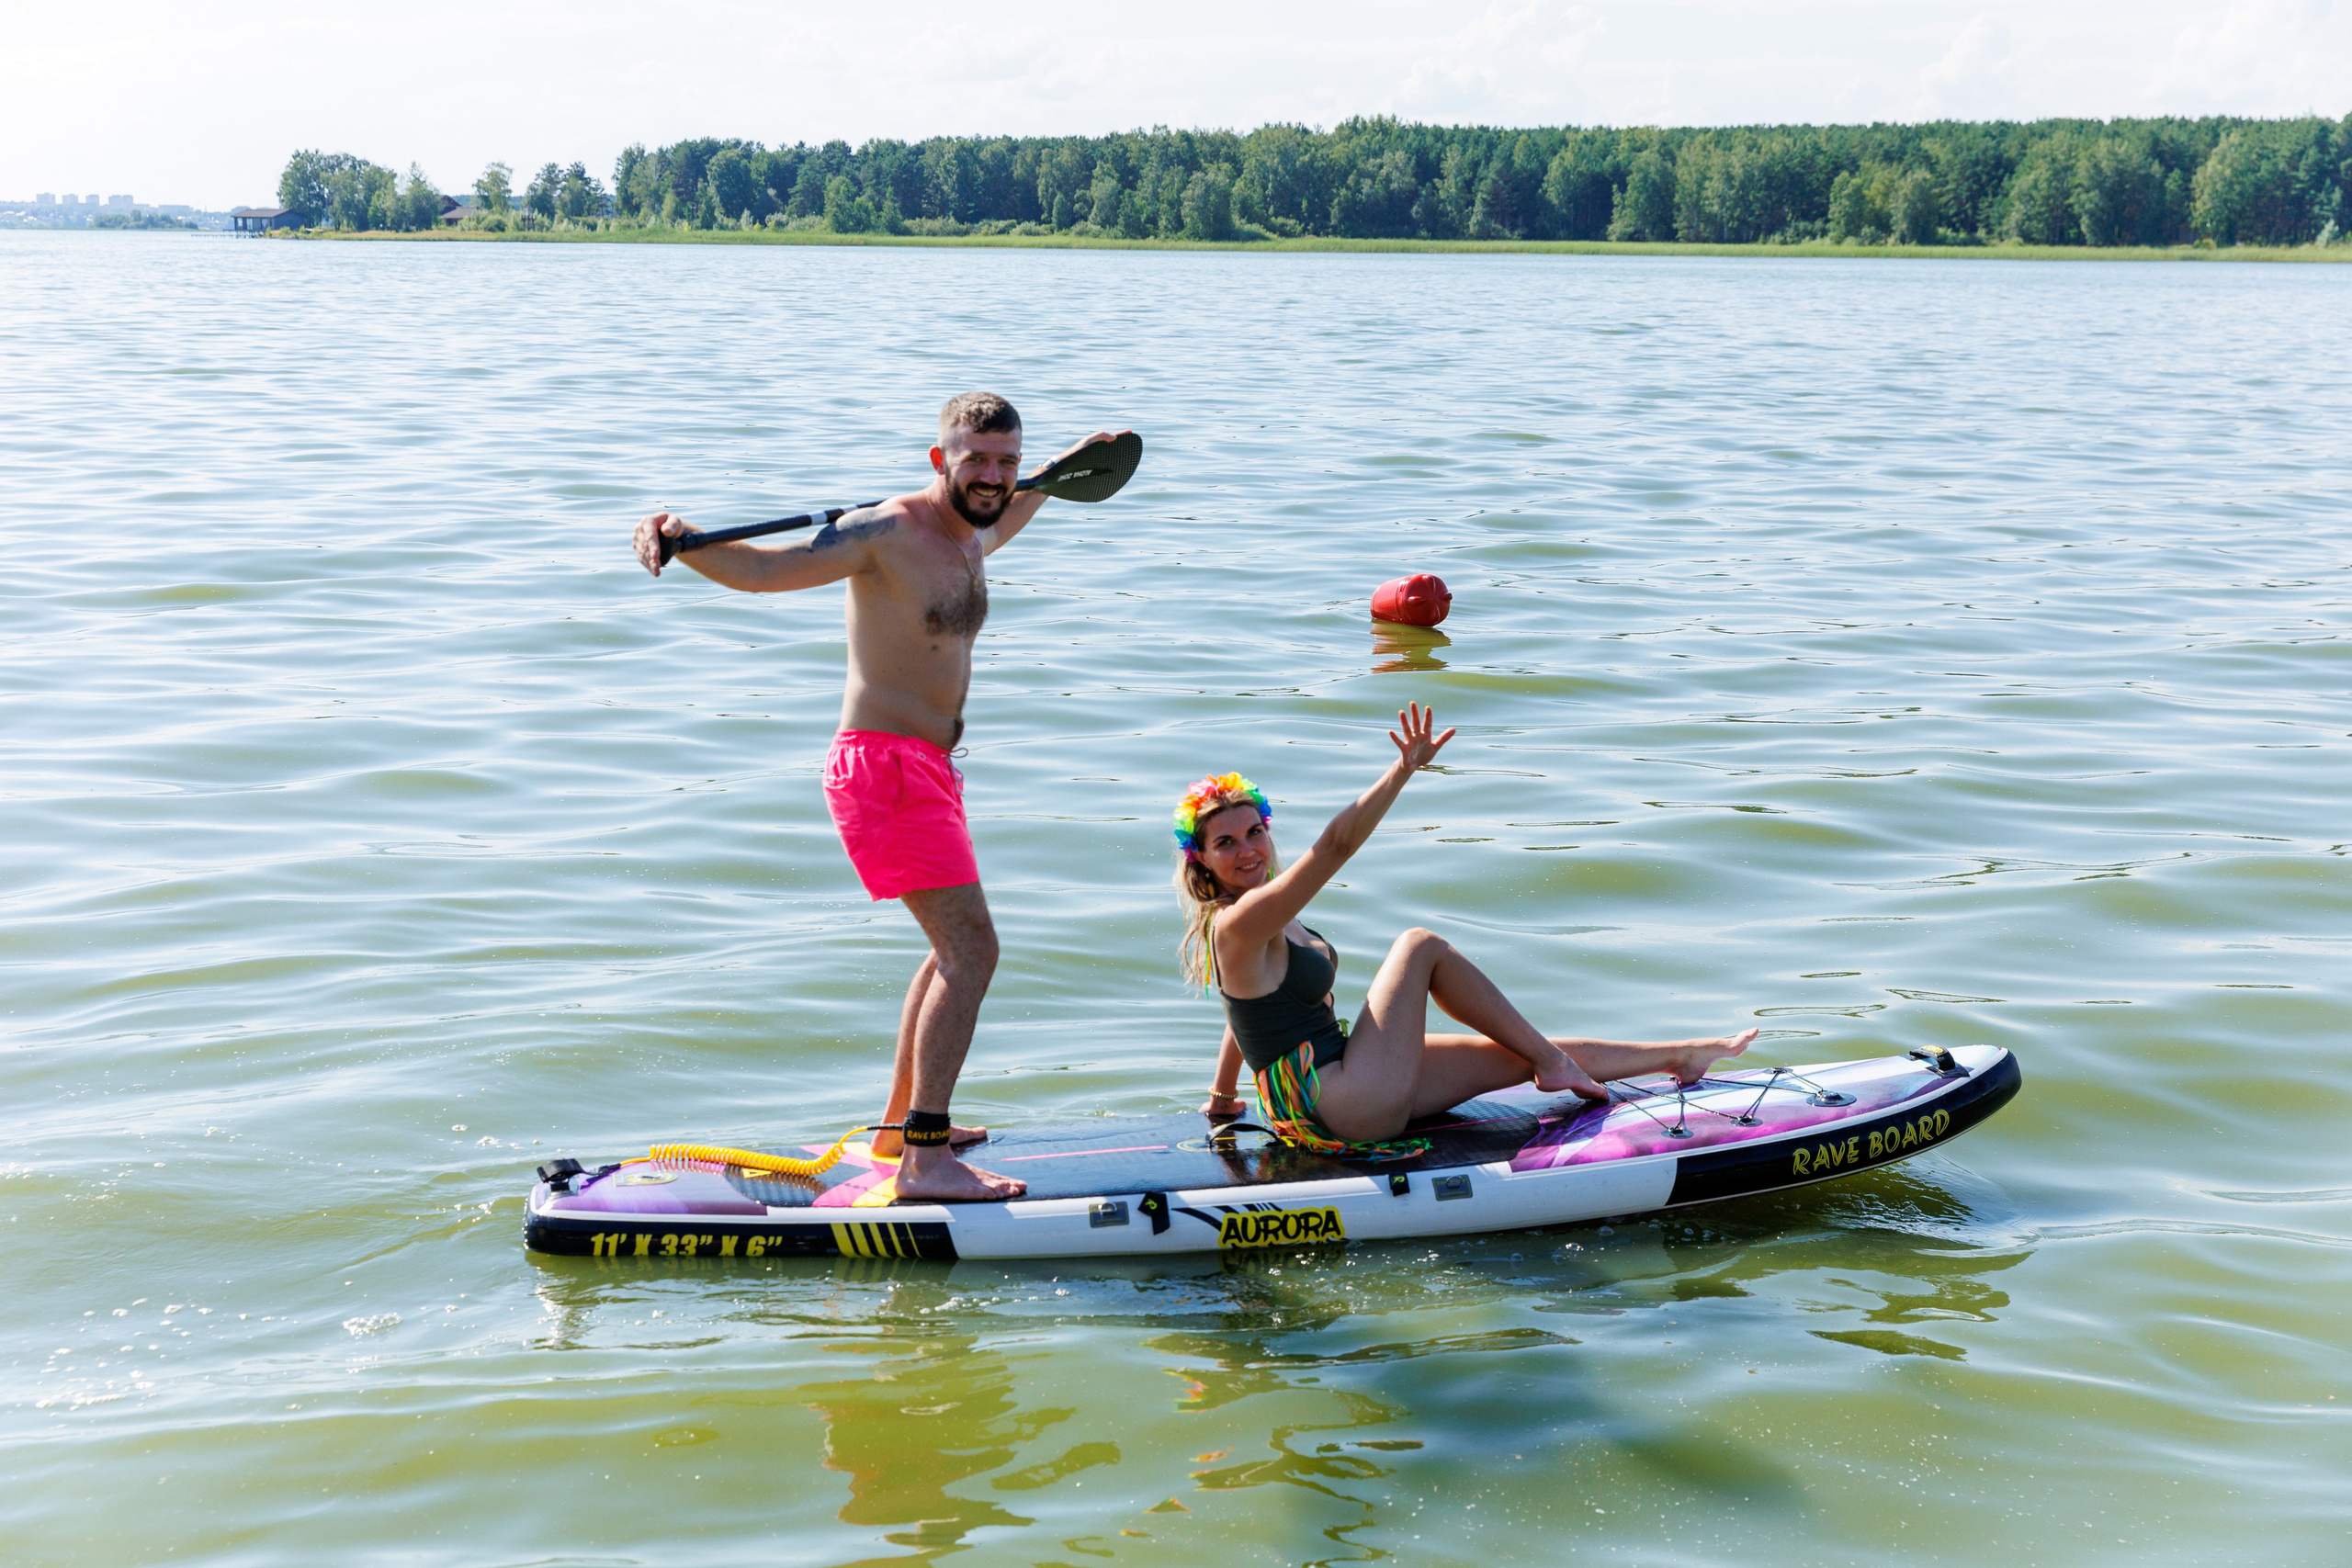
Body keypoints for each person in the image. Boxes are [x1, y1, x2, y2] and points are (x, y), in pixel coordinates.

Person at [634, 393, 1122, 1202]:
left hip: (929, 770)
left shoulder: (975, 532)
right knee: (972, 952)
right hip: (883, 768)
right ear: (940, 460)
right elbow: (766, 570)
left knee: (951, 948)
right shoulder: (887, 531)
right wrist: (684, 539)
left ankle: (900, 1128)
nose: (994, 475)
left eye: (1006, 461)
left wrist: (1062, 463)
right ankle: (926, 1159)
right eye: (976, 459)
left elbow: (1020, 504)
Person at [1173, 703, 1757, 1151]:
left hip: (1351, 1082)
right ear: (1201, 858)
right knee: (1418, 945)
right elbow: (1335, 846)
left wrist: (1223, 1098)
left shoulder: (1266, 913)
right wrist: (1402, 770)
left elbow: (1243, 1017)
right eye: (1226, 843)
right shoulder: (1238, 922)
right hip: (1339, 1103)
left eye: (1255, 832)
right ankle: (1558, 1064)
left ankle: (1681, 1056)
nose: (1247, 850)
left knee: (1517, 1051)